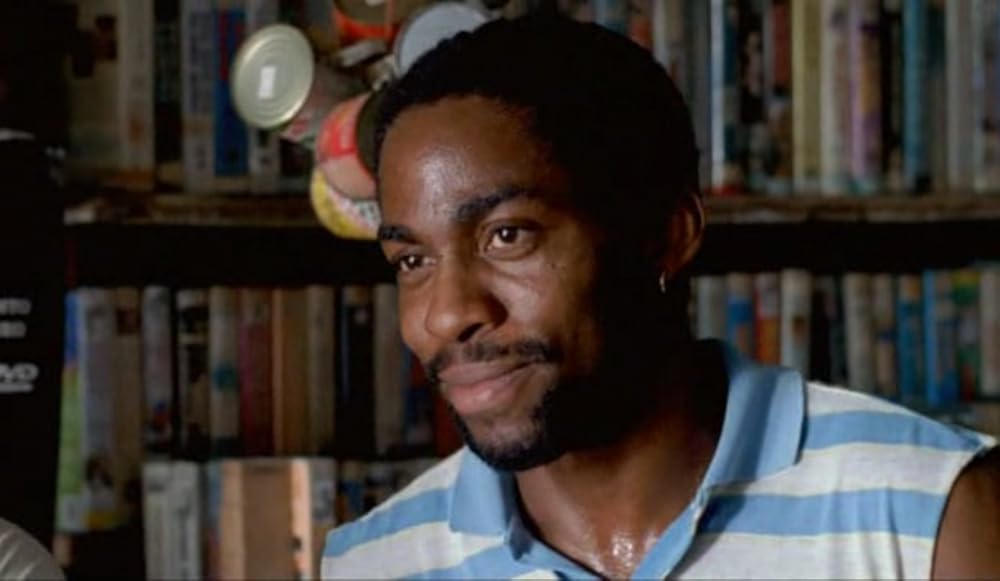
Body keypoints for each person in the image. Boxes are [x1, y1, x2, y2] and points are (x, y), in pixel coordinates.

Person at [321, 14, 999, 579]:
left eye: (507, 235)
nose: (445, 314)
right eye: (412, 260)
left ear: (665, 236)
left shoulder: (930, 514)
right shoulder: (375, 564)